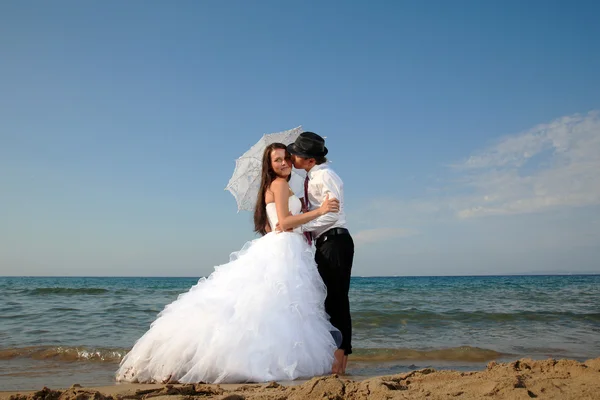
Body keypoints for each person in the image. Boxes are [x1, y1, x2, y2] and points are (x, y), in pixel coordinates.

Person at [115, 143, 341, 384]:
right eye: (277, 160)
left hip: (281, 245)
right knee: (278, 308)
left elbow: (274, 223)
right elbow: (285, 223)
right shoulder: (279, 184)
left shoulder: (271, 186)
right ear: (269, 165)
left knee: (269, 308)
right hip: (285, 248)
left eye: (286, 158)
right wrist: (321, 211)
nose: (284, 163)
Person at [282, 132, 354, 375]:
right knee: (328, 299)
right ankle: (336, 359)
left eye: (296, 154)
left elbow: (332, 214)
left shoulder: (326, 176)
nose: (292, 157)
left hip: (335, 240)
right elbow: (318, 209)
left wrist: (301, 226)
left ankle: (340, 361)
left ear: (310, 160)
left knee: (337, 300)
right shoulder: (313, 177)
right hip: (325, 242)